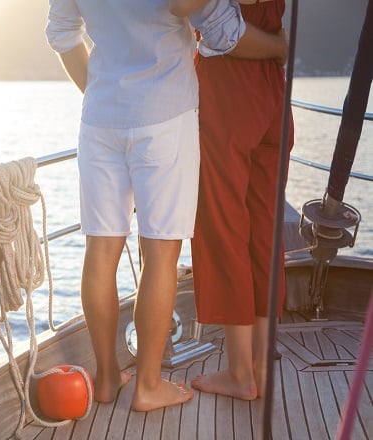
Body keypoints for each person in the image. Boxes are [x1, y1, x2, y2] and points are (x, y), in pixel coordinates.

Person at [46, 0, 288, 411]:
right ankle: (148, 385)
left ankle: (106, 380)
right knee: (161, 255)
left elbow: (62, 34)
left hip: (101, 117)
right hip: (165, 115)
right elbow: (221, 31)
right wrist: (279, 47)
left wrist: (107, 92)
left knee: (101, 248)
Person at [186, 0, 294, 400]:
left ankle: (239, 373)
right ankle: (261, 368)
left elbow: (221, 31)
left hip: (228, 90)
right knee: (266, 228)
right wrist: (279, 47)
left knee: (224, 228)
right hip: (273, 90)